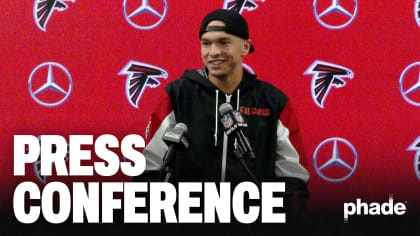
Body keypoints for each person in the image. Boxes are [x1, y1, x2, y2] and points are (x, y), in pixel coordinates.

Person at [140, 9, 309, 195]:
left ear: (245, 47)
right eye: (206, 44)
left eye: (224, 42)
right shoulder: (177, 95)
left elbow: (294, 176)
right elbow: (149, 168)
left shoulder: (272, 101)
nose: (213, 52)